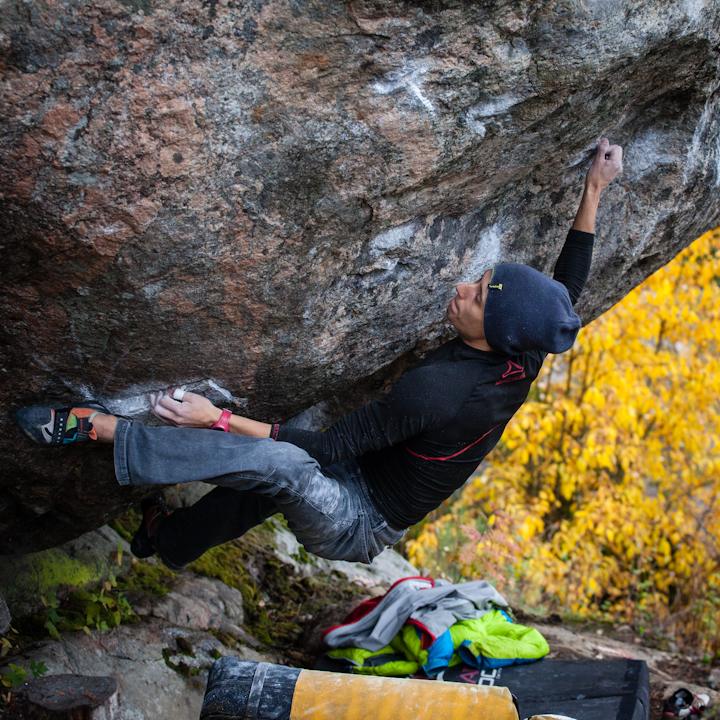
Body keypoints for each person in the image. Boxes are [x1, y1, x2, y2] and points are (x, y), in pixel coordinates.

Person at [17, 138, 623, 570]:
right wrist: (594, 188)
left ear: (495, 334)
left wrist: (217, 417)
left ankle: (101, 430)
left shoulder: (440, 390)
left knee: (283, 464)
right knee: (275, 470)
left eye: (477, 297)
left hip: (359, 520)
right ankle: (168, 542)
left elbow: (328, 452)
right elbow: (565, 293)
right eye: (480, 279)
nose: (462, 288)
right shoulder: (529, 340)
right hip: (363, 464)